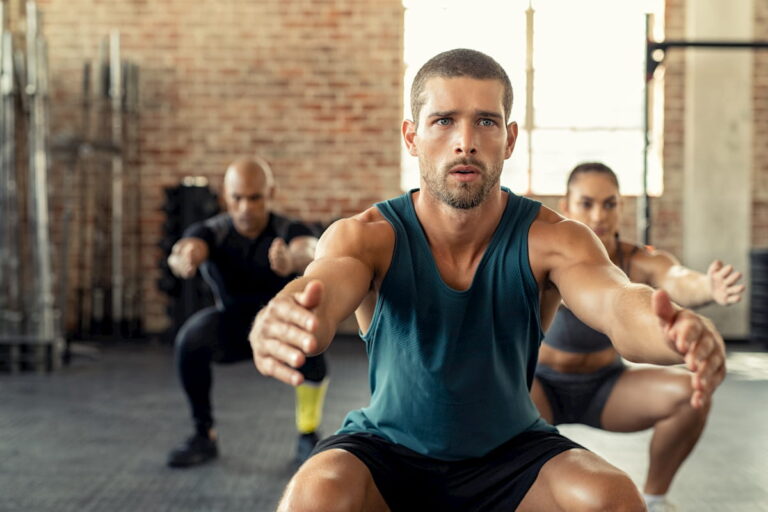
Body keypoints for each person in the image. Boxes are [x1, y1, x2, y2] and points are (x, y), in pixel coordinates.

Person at [249, 49, 726, 511]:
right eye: (443, 121)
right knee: (314, 495)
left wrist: (672, 331)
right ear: (412, 137)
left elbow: (618, 304)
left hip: (512, 453)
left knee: (614, 499)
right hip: (388, 451)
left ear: (510, 138)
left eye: (485, 121)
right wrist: (287, 312)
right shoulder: (369, 237)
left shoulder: (554, 239)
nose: (465, 141)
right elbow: (323, 286)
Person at [530, 161, 743, 512]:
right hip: (541, 388)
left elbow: (675, 276)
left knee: (691, 394)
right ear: (566, 207)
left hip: (605, 387)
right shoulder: (548, 255)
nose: (599, 214)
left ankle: (656, 498)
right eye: (587, 203)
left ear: (620, 207)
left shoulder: (635, 258)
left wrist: (708, 286)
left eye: (609, 203)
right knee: (500, 405)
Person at [166, 157, 329, 468]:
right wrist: (183, 259)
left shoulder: (287, 229)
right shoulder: (214, 231)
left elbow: (311, 248)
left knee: (312, 335)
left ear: (270, 193)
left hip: (281, 327)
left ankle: (307, 434)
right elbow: (187, 247)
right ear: (226, 196)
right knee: (190, 340)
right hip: (233, 326)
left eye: (254, 198)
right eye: (237, 198)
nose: (244, 207)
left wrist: (292, 260)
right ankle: (204, 435)